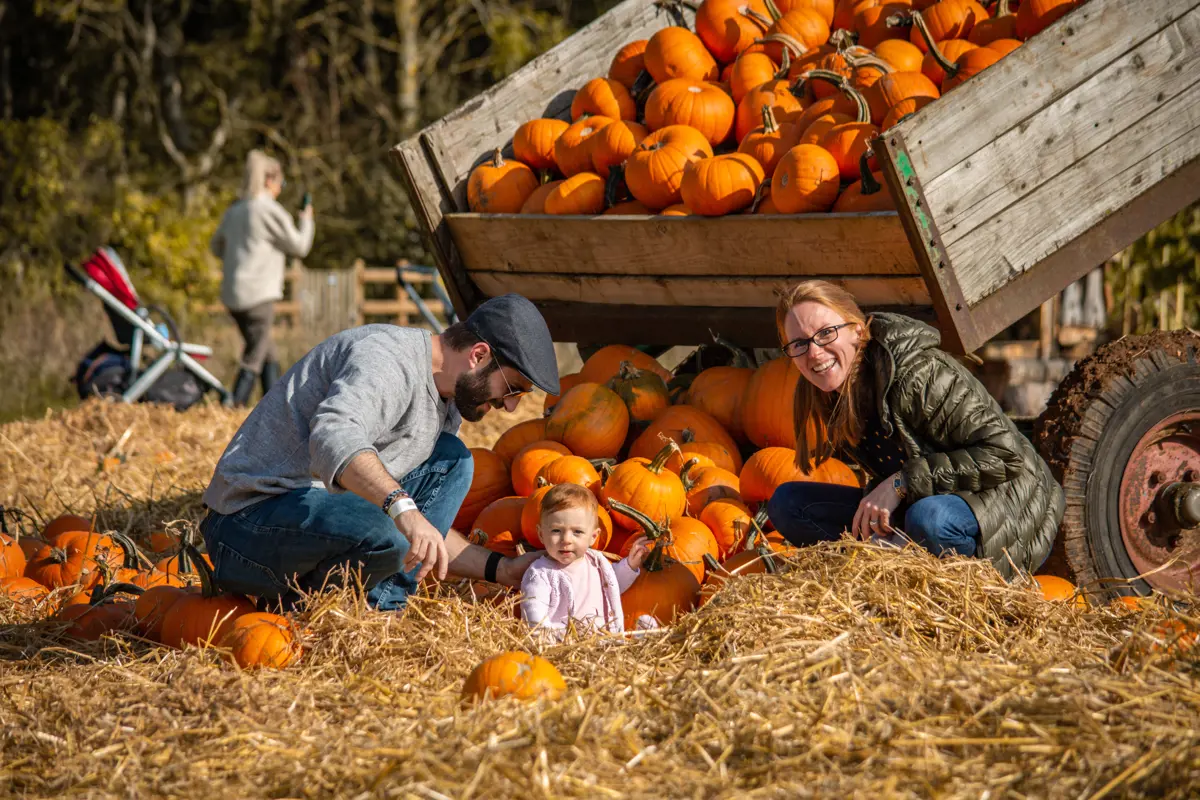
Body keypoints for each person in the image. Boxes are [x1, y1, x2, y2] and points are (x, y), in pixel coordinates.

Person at [199, 293, 558, 610]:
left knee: (453, 460)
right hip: (245, 524)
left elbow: (422, 534)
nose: (510, 406)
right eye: (513, 388)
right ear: (478, 356)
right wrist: (403, 510)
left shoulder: (446, 403)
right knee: (387, 528)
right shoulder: (387, 359)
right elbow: (332, 436)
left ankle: (381, 608)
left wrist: (500, 568)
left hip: (317, 516)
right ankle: (303, 611)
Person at [765, 280, 1064, 579]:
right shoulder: (829, 391)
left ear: (857, 329)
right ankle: (879, 572)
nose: (814, 353)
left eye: (826, 333)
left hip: (1007, 502)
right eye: (799, 344)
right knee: (789, 504)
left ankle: (940, 575)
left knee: (929, 520)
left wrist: (901, 483)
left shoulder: (917, 374)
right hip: (928, 496)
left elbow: (1004, 455)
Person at [210, 150, 315, 406]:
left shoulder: (235, 210)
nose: (281, 188)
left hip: (233, 295)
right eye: (281, 182)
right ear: (270, 180)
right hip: (258, 296)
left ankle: (276, 405)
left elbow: (216, 246)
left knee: (267, 350)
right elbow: (300, 247)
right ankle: (233, 407)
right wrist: (307, 220)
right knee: (255, 355)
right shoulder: (268, 210)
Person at [520, 484, 649, 637]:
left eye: (577, 532)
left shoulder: (597, 562)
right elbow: (534, 612)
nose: (566, 540)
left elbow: (612, 585)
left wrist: (629, 565)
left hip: (605, 642)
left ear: (593, 537)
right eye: (556, 531)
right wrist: (547, 640)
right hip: (567, 647)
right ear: (541, 534)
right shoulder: (540, 574)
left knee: (646, 623)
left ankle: (644, 639)